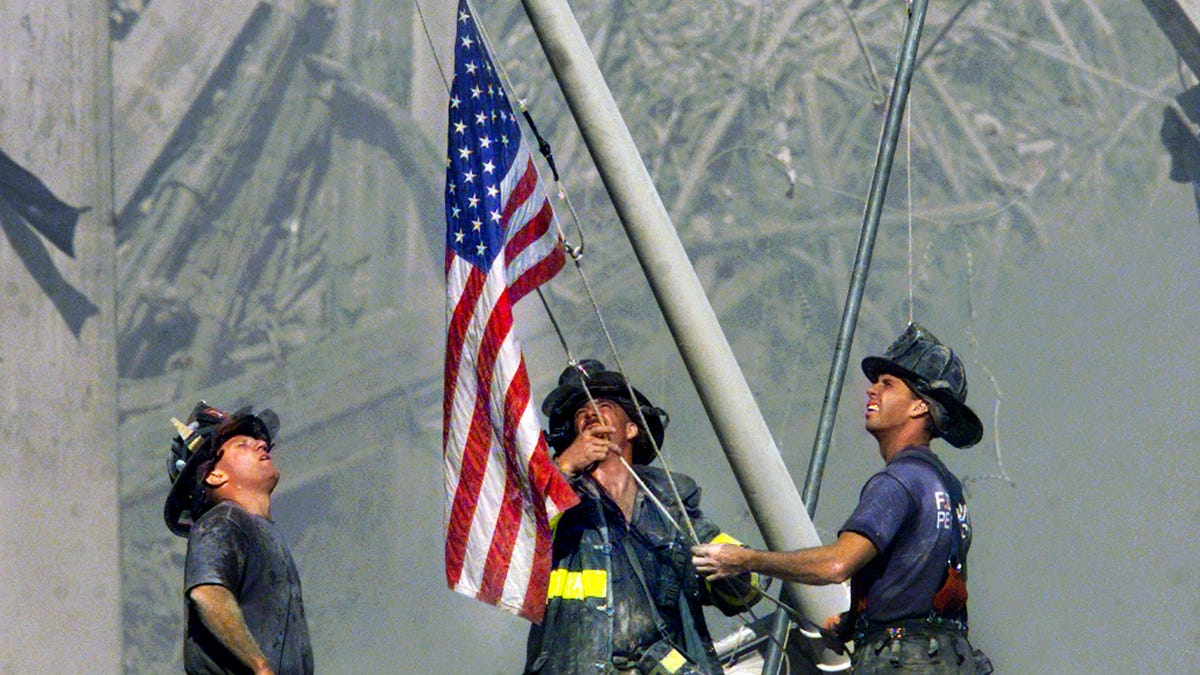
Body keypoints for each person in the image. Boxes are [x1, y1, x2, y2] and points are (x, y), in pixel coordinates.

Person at [692, 324, 992, 673]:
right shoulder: (947, 487)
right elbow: (925, 588)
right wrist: (854, 622)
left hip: (901, 662)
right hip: (951, 660)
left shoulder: (899, 480)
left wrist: (744, 560)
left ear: (919, 408)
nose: (871, 390)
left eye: (888, 384)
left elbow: (836, 565)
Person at [524, 360, 761, 675]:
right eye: (580, 413)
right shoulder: (561, 504)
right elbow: (518, 536)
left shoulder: (671, 505)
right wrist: (565, 466)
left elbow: (742, 590)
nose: (590, 414)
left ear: (632, 428)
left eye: (604, 406)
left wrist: (737, 572)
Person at [163, 402, 314, 675]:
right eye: (241, 444)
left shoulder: (259, 531)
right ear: (214, 474)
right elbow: (208, 593)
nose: (259, 444)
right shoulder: (222, 522)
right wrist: (260, 668)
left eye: (257, 440)